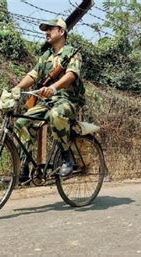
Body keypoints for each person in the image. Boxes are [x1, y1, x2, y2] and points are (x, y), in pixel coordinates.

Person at [12, 18, 85, 183]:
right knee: (22, 122)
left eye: (51, 29)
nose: (47, 32)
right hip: (48, 101)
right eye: (46, 29)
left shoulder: (72, 52)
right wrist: (16, 88)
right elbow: (33, 74)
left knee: (56, 115)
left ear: (61, 32)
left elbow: (71, 75)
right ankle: (24, 168)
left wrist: (54, 88)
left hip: (69, 99)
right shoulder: (46, 55)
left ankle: (67, 158)